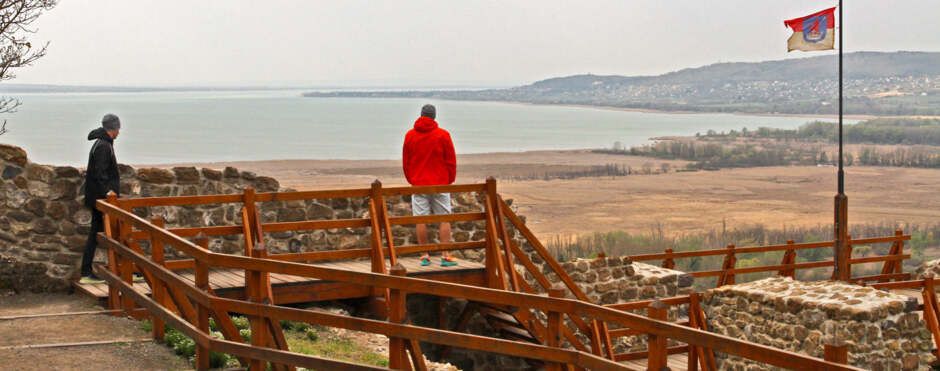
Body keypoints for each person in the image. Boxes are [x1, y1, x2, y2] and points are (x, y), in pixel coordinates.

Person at [402, 104, 458, 267]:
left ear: (421, 115)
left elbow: (406, 162)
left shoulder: (410, 136)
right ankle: (445, 255)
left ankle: (424, 255)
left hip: (419, 183)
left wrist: (412, 179)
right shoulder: (443, 135)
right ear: (434, 116)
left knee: (421, 219)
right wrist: (449, 180)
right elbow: (451, 161)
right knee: (444, 218)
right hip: (440, 183)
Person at [79, 114, 122, 284]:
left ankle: (87, 271)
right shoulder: (104, 146)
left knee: (100, 233)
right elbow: (100, 174)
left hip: (99, 198)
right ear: (114, 129)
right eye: (118, 128)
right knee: (114, 231)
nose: (119, 131)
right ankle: (87, 273)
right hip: (102, 200)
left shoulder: (102, 143)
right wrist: (108, 194)